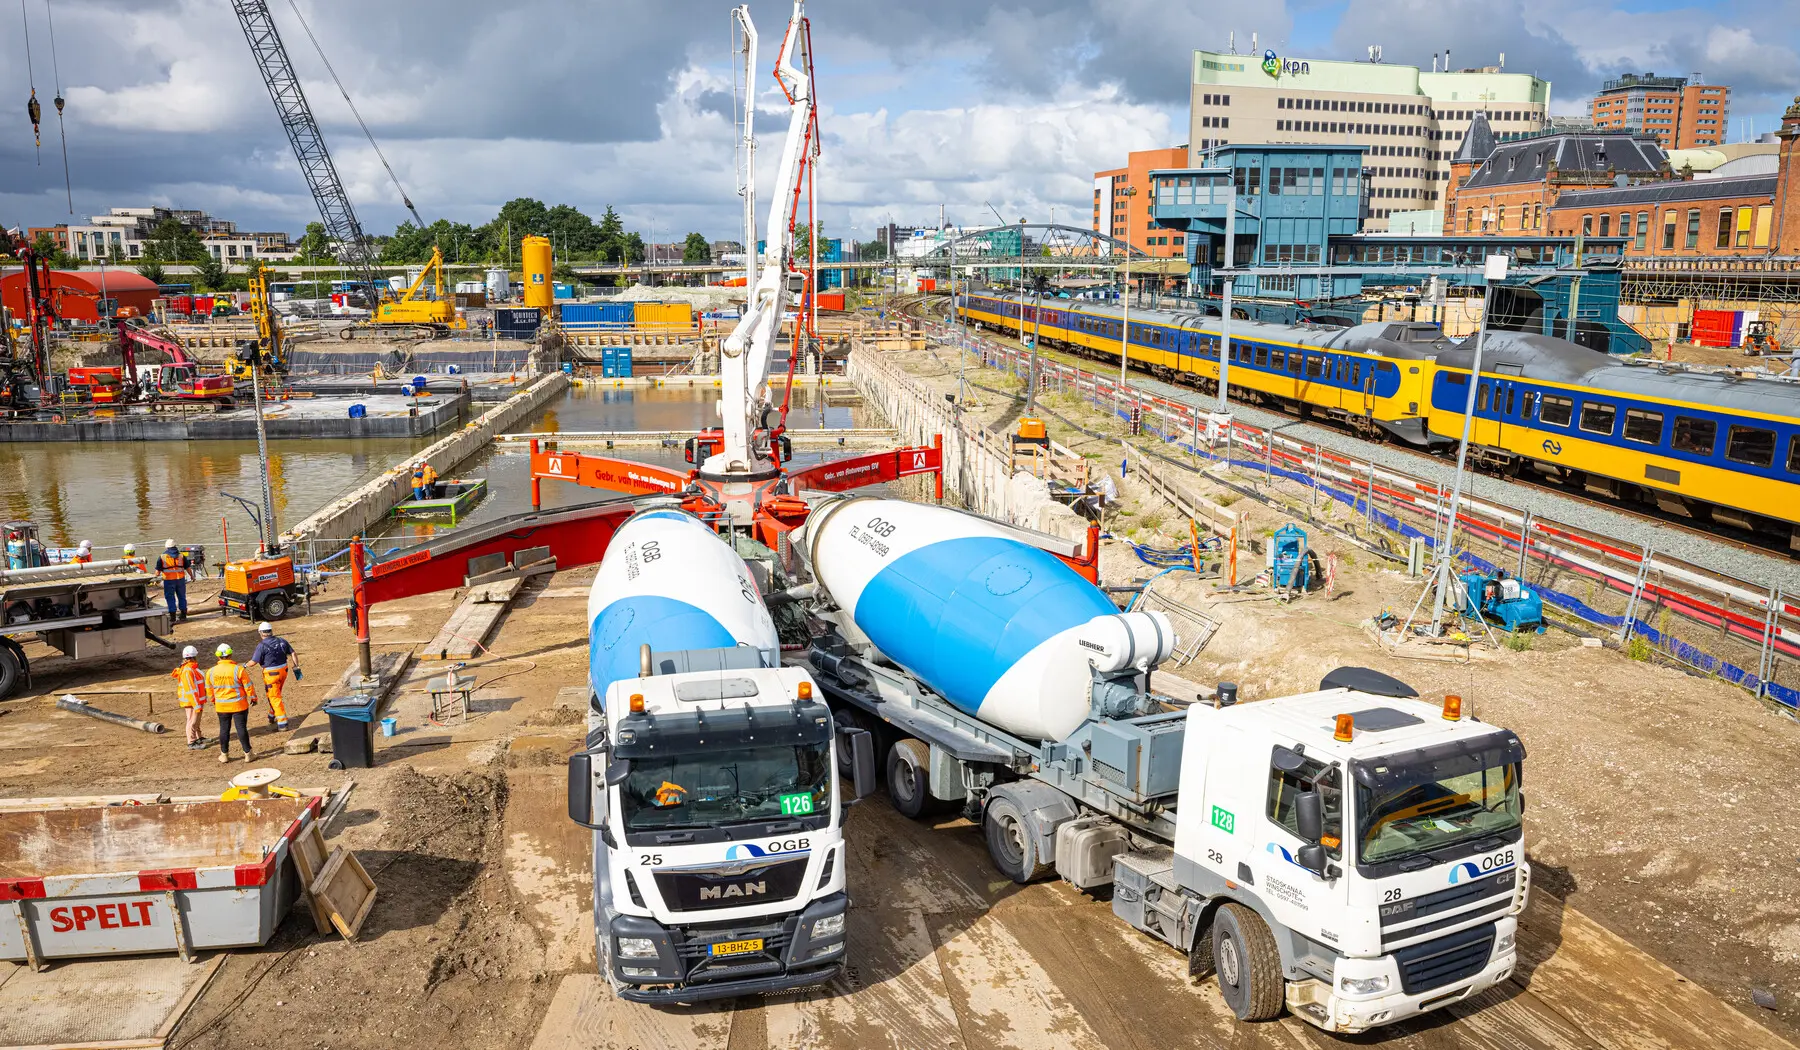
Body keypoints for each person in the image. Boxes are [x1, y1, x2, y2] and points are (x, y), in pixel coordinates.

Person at [206, 643, 256, 763]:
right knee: (241, 729)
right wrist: (253, 697)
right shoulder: (238, 670)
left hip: (221, 706)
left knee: (224, 729)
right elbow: (248, 686)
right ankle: (248, 754)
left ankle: (224, 755)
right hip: (239, 705)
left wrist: (214, 700)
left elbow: (209, 689)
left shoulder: (211, 672)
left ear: (218, 656)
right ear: (230, 654)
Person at [248, 621, 299, 731]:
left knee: (275, 697)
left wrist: (244, 666)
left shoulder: (261, 646)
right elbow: (293, 653)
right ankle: (272, 715)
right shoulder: (281, 641)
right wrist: (296, 666)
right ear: (271, 631)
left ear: (261, 633)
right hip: (283, 672)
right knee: (276, 693)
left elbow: (252, 663)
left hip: (271, 675)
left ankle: (282, 723)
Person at [171, 645, 208, 750]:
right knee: (192, 721)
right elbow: (191, 689)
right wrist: (196, 705)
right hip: (192, 701)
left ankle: (198, 737)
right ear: (194, 656)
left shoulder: (190, 668)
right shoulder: (188, 670)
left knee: (196, 721)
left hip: (195, 700)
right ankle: (191, 742)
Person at [158, 540, 190, 622]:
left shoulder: (162, 557)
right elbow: (188, 568)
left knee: (170, 598)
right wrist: (192, 576)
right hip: (180, 580)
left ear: (166, 547)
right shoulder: (181, 556)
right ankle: (183, 615)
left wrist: (155, 578)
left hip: (169, 581)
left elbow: (157, 571)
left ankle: (172, 617)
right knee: (182, 596)